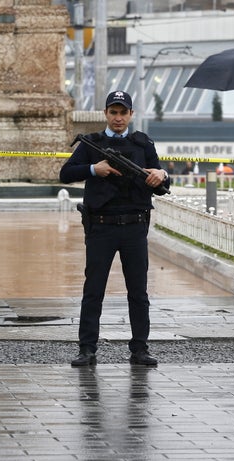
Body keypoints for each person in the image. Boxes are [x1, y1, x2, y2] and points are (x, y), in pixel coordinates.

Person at [59, 90, 170, 367]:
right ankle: (87, 349)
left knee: (138, 291)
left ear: (131, 114)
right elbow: (65, 173)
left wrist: (162, 174)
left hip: (134, 226)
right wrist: (95, 170)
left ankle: (140, 349)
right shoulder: (91, 144)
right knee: (93, 289)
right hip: (101, 226)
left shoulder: (142, 144)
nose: (118, 118)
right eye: (113, 112)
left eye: (123, 112)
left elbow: (160, 180)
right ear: (106, 114)